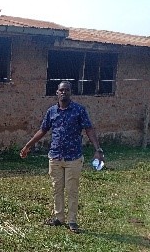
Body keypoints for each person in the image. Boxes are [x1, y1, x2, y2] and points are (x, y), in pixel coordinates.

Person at [19, 81, 104, 233]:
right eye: (61, 90)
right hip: (55, 157)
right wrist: (28, 146)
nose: (64, 92)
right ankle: (59, 218)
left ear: (71, 92)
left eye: (67, 90)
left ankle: (72, 221)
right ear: (57, 92)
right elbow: (43, 130)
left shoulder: (79, 110)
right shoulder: (51, 111)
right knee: (56, 188)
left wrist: (98, 149)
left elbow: (89, 129)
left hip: (73, 158)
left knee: (72, 190)